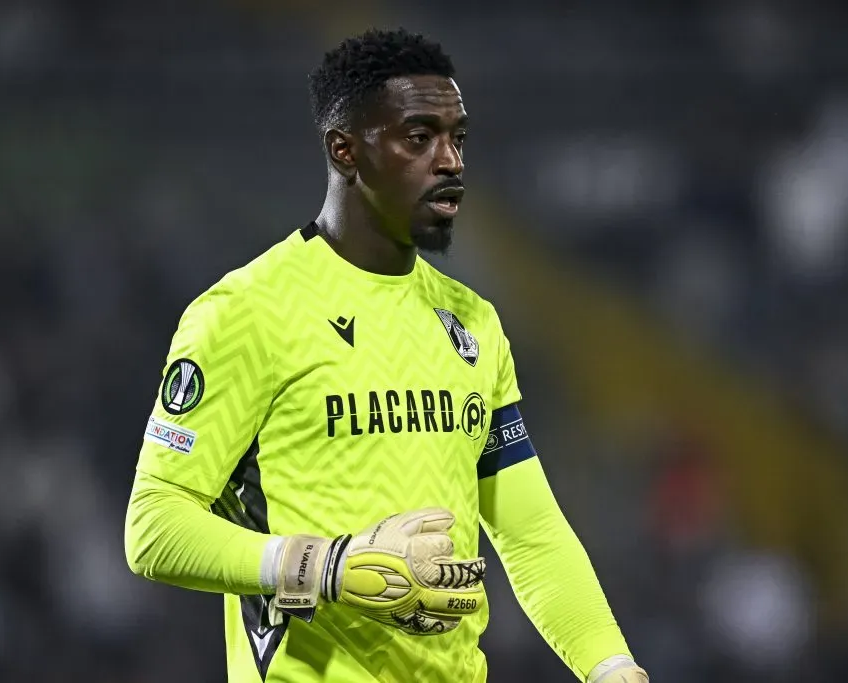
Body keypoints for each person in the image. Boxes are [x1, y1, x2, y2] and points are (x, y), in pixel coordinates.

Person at [124, 28, 649, 683]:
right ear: (345, 150)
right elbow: (154, 525)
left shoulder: (472, 322)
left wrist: (609, 663)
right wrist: (331, 566)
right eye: (419, 137)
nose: (451, 160)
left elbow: (531, 530)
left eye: (458, 137)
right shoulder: (245, 312)